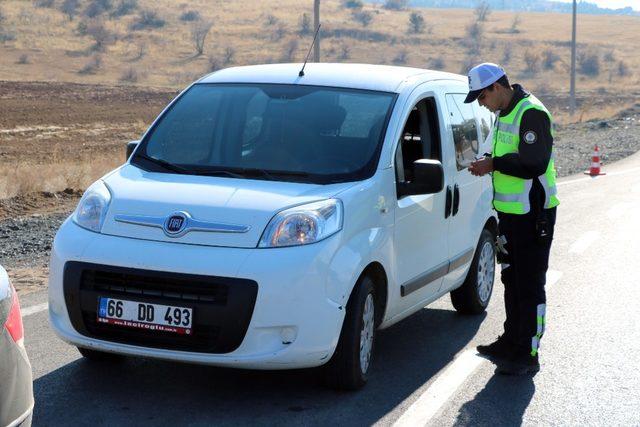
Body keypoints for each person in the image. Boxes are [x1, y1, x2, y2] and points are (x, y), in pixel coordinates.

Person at [465, 63, 559, 375]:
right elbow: (500, 154)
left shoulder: (530, 112)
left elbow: (533, 163)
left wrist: (493, 165)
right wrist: (485, 162)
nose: (481, 103)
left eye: (482, 97)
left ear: (496, 87)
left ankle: (528, 352)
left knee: (530, 283)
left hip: (533, 216)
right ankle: (511, 340)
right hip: (510, 215)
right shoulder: (504, 114)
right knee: (511, 279)